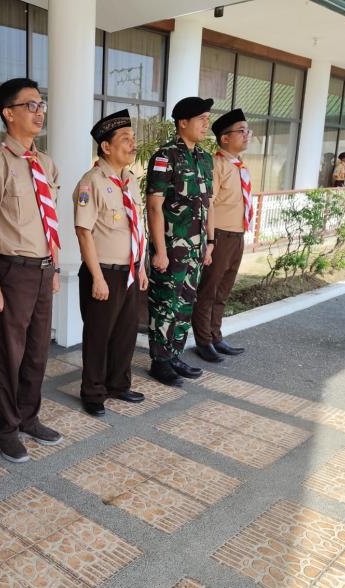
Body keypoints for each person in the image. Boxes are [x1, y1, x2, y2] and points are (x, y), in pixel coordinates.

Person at [0, 77, 63, 463]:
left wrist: (55, 268)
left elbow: (49, 220)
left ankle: (29, 416)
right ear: (8, 114)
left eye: (41, 104)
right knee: (9, 354)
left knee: (38, 351)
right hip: (13, 271)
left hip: (42, 269)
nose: (39, 112)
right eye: (30, 105)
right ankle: (5, 429)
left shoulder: (45, 164)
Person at [73, 109, 148, 416]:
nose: (132, 145)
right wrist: (97, 278)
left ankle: (118, 384)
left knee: (125, 333)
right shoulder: (91, 182)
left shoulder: (129, 180)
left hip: (130, 270)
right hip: (102, 271)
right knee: (98, 336)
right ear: (105, 146)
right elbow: (83, 231)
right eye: (125, 139)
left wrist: (141, 267)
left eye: (133, 139)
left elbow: (136, 226)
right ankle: (92, 392)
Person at [145, 96, 214, 387]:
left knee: (185, 302)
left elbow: (208, 203)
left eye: (207, 119)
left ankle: (174, 354)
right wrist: (160, 250)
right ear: (182, 122)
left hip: (196, 248)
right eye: (201, 119)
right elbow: (154, 205)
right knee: (165, 304)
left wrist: (209, 243)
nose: (205, 124)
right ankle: (159, 361)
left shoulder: (204, 158)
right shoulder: (165, 157)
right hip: (172, 247)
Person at [192, 108, 251, 363]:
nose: (246, 135)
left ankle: (216, 336)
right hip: (221, 236)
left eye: (248, 131)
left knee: (223, 290)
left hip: (237, 236)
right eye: (241, 131)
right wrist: (211, 240)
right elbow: (209, 204)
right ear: (225, 138)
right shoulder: (216, 165)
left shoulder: (240, 166)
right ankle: (203, 341)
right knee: (209, 290)